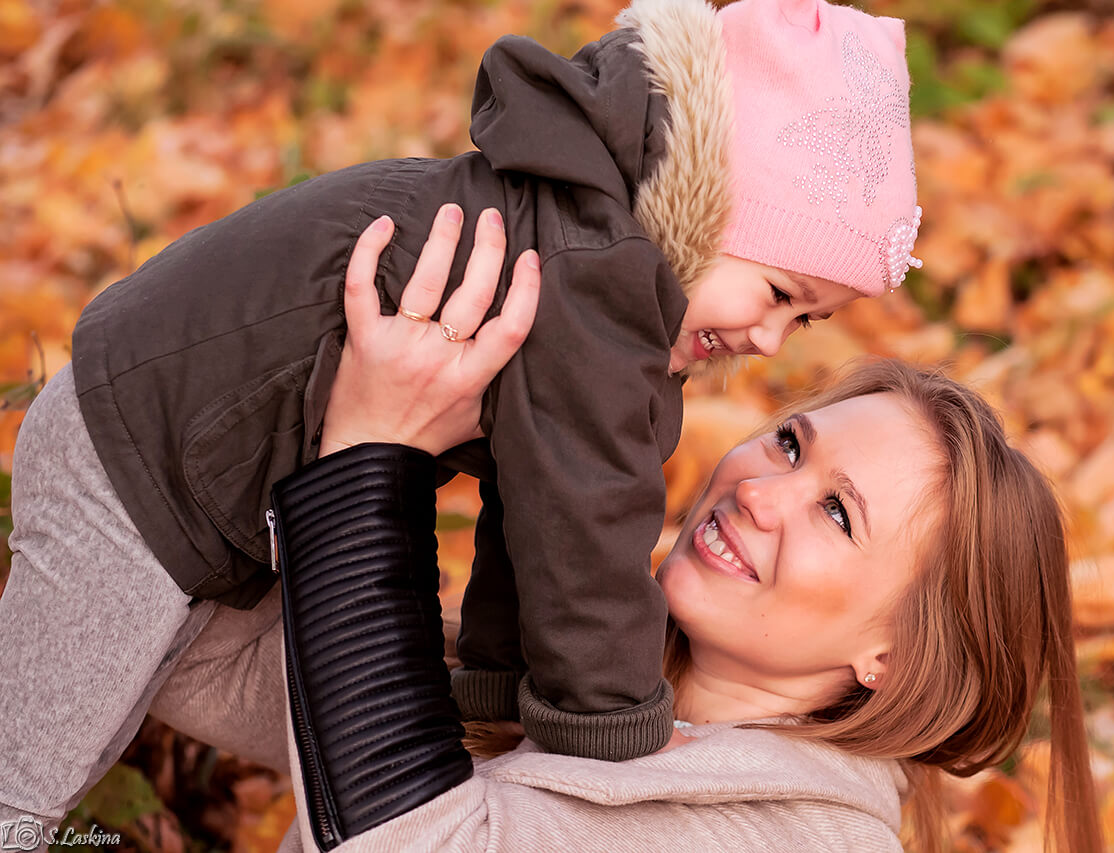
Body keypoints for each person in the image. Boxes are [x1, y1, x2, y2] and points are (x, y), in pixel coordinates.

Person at [0, 4, 922, 836]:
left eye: (804, 322)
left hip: (190, 468)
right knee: (24, 784)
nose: (769, 339)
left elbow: (530, 515)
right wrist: (611, 735)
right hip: (139, 458)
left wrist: (495, 688)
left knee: (80, 736)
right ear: (712, 204)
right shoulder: (591, 282)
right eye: (775, 293)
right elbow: (583, 527)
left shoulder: (589, 245)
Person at [264, 224, 1102, 853]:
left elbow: (404, 837)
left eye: (838, 514)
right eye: (790, 442)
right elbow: (258, 676)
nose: (761, 493)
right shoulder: (611, 680)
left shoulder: (799, 837)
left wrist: (371, 456)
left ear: (898, 654)